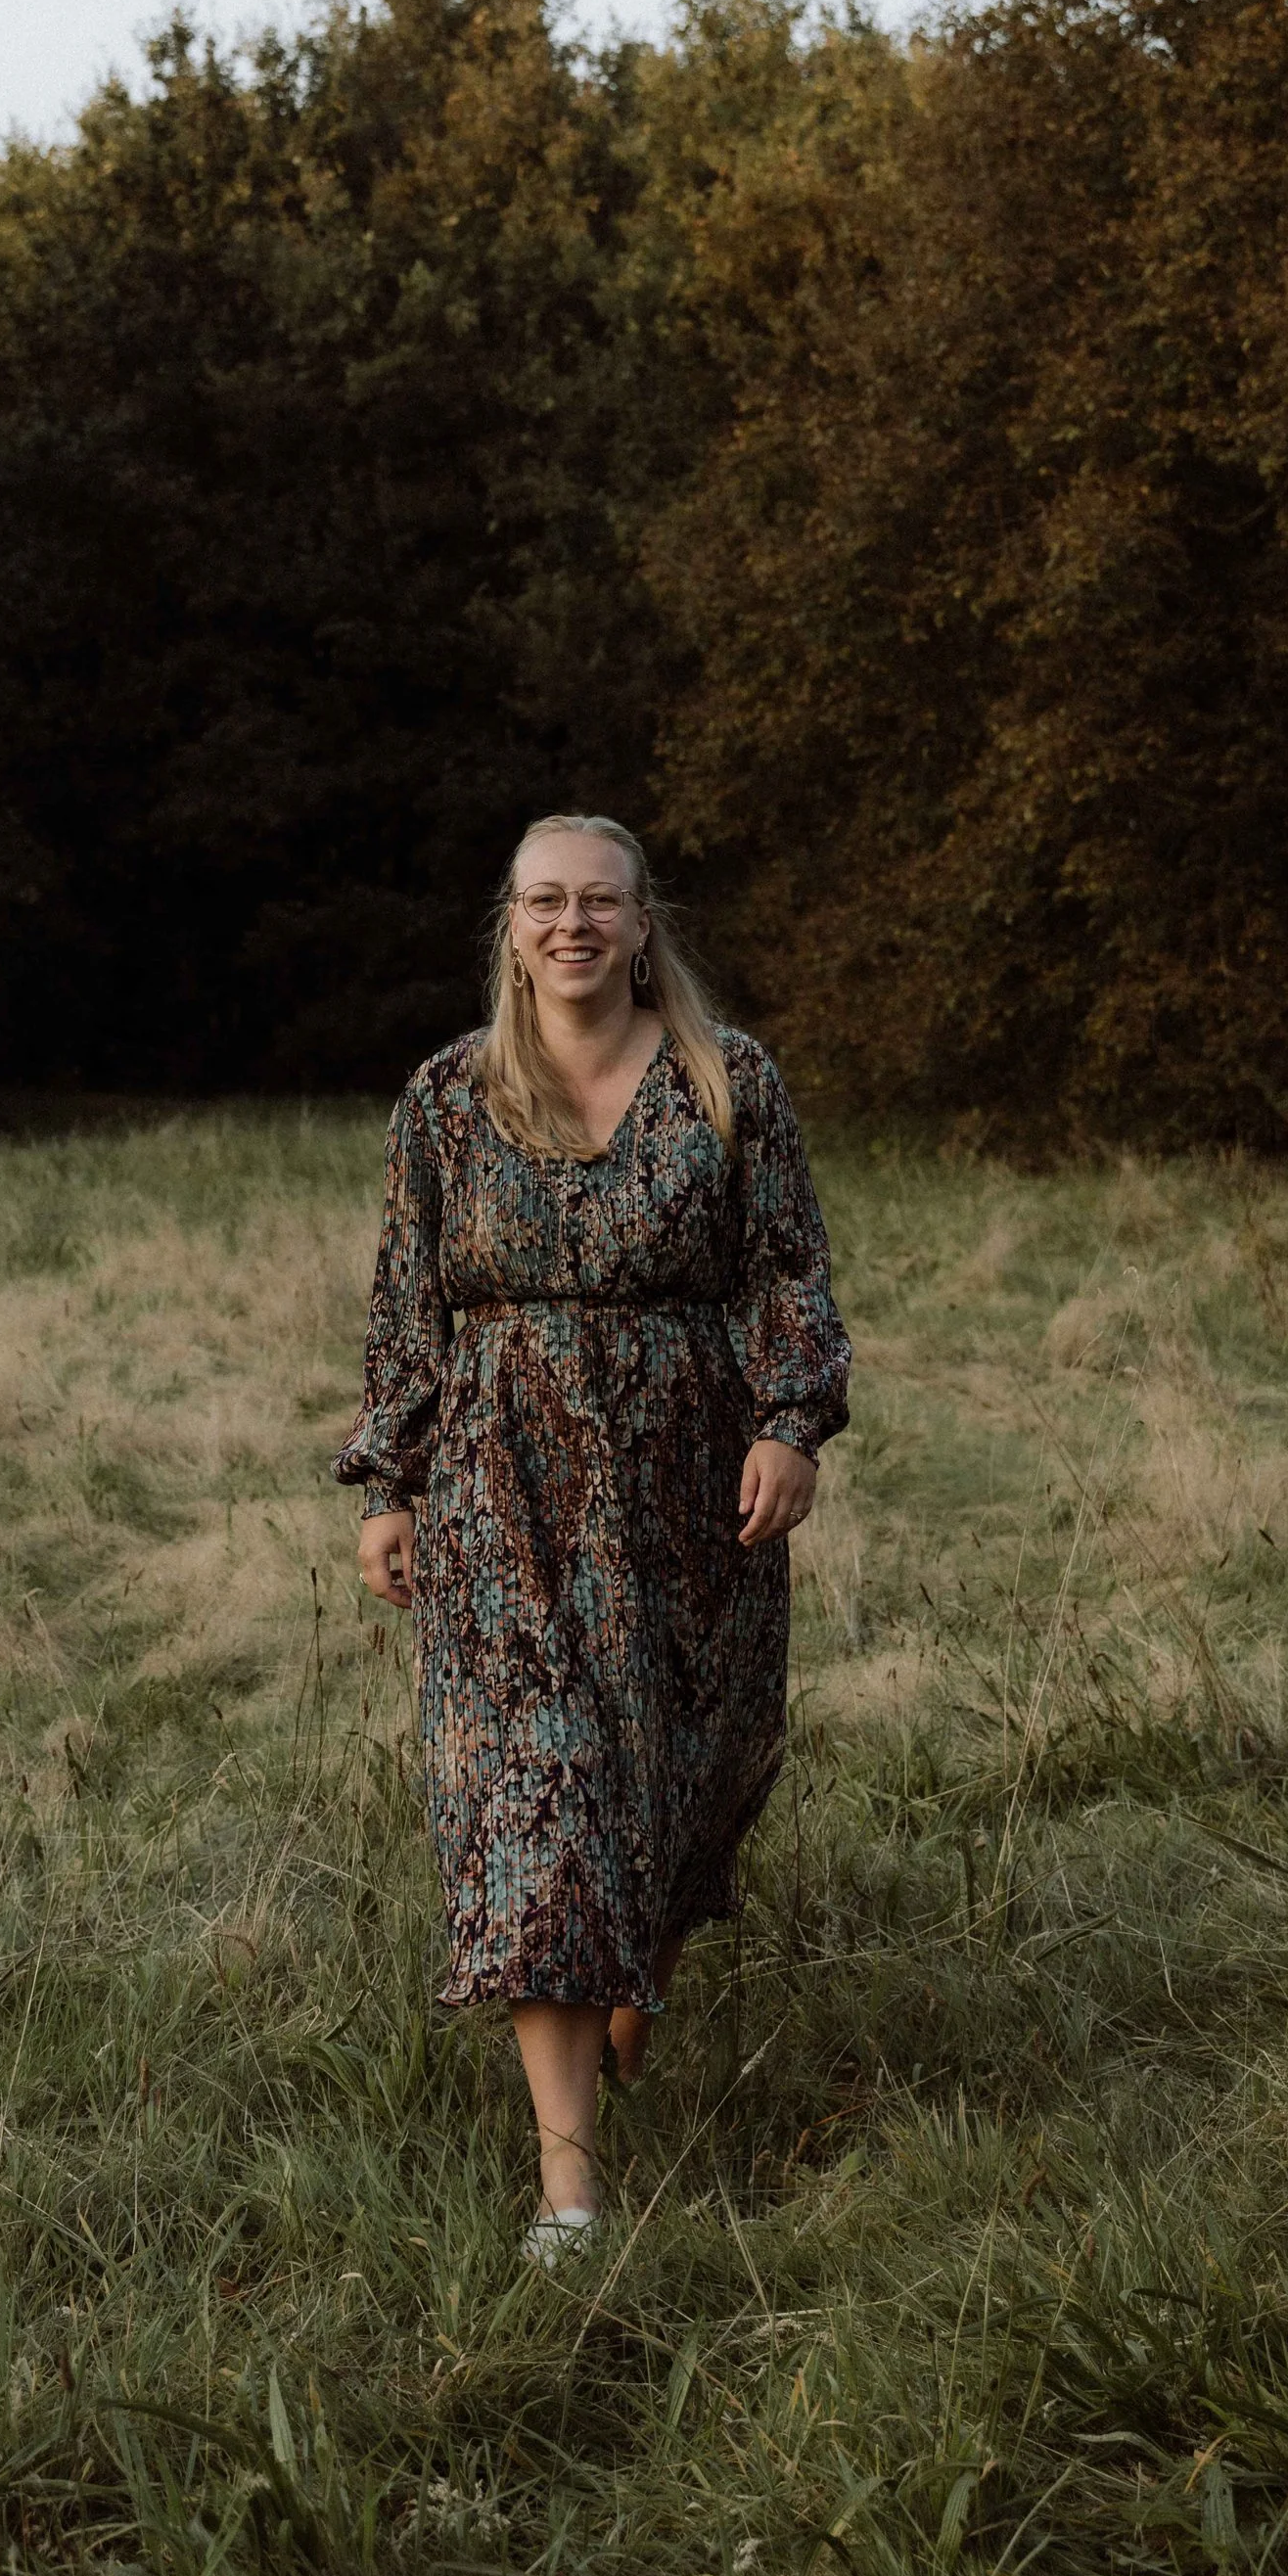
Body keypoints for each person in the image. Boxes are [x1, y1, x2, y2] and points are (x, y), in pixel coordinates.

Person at [337, 811, 851, 2262]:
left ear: (641, 923)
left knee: (691, 1776)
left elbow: (789, 1267)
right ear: (512, 922)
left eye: (599, 903)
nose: (573, 925)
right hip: (499, 1494)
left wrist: (788, 1423)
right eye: (545, 901)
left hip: (692, 1483)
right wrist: (390, 1482)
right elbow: (405, 1303)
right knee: (532, 1817)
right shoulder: (446, 1099)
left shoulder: (725, 1080)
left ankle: (645, 1964)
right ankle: (569, 2193)